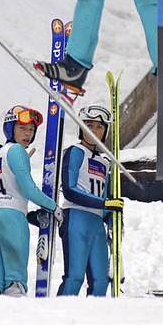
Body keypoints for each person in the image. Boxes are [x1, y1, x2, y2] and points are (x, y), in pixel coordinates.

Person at [0, 106, 63, 297]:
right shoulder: (17, 151)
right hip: (11, 218)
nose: (27, 134)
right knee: (15, 282)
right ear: (10, 129)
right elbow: (28, 188)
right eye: (22, 128)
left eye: (31, 130)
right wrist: (53, 207)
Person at [56, 104, 123, 296]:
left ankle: (94, 322)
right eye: (89, 126)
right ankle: (58, 317)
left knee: (101, 281)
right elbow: (69, 190)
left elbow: (106, 198)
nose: (94, 131)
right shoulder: (75, 152)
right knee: (74, 276)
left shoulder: (105, 162)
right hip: (75, 218)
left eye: (99, 127)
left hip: (96, 224)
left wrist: (113, 218)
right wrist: (103, 204)